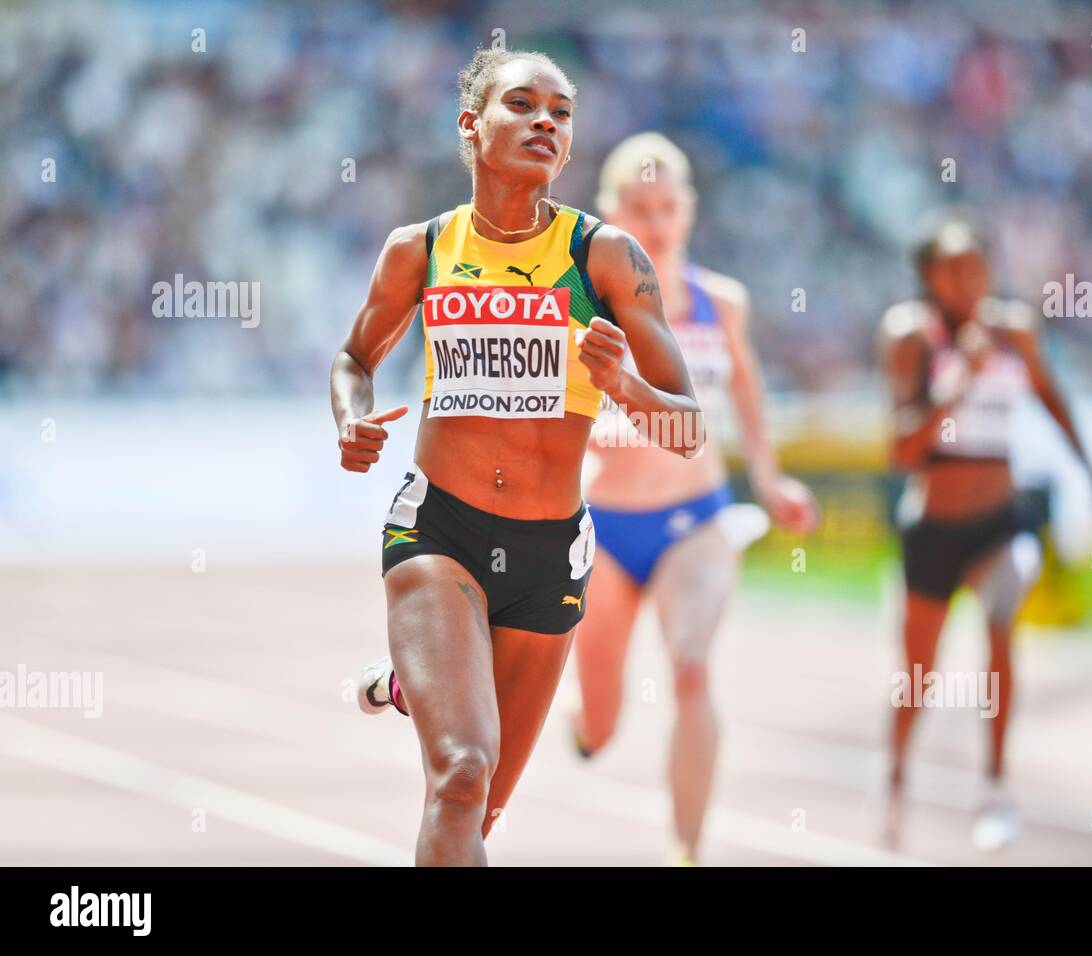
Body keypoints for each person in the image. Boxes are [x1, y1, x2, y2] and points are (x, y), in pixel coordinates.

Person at [334, 48, 703, 866]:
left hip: (549, 553)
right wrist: (351, 417)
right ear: (471, 125)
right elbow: (355, 359)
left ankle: (410, 683)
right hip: (440, 533)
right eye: (524, 104)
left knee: (481, 813)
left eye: (562, 112)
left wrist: (623, 387)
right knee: (462, 773)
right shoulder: (420, 249)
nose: (546, 121)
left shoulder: (604, 257)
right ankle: (427, 678)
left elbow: (688, 426)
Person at [567, 133, 819, 866]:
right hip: (603, 529)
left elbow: (744, 385)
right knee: (603, 721)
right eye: (639, 207)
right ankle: (586, 725)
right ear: (610, 213)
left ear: (690, 213)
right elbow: (555, 405)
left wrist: (769, 479)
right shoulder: (582, 304)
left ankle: (687, 851)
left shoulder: (721, 303)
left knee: (691, 667)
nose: (655, 222)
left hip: (695, 521)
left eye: (668, 206)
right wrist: (592, 442)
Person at [877, 216, 1092, 850]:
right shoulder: (911, 337)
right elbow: (902, 448)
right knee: (918, 675)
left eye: (977, 267)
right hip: (933, 527)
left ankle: (996, 785)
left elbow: (1053, 397)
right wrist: (959, 381)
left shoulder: (1014, 331)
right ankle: (897, 779)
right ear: (929, 277)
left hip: (999, 520)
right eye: (953, 270)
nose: (969, 281)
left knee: (1003, 628)